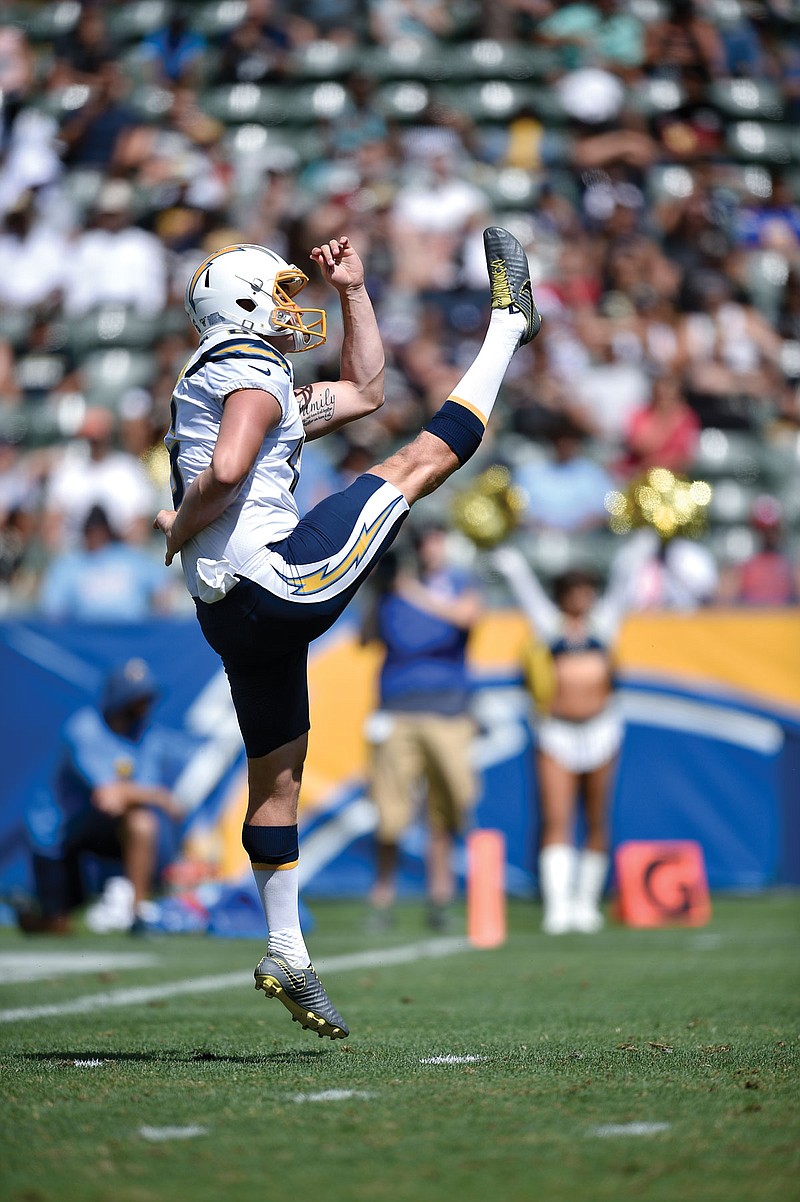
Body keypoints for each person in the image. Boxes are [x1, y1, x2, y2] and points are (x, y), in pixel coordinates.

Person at [153, 227, 540, 1039]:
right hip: (276, 581)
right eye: (285, 294)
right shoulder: (246, 365)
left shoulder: (222, 376)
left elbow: (363, 391)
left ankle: (286, 950)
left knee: (278, 782)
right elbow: (224, 473)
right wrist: (180, 525)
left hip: (231, 613)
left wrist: (354, 291)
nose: (297, 310)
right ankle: (509, 324)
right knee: (417, 464)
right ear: (244, 304)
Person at [492, 534, 654, 935]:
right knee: (557, 817)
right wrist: (508, 557)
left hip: (602, 731)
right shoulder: (550, 627)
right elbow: (526, 592)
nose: (581, 598)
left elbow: (624, 582)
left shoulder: (605, 625)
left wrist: (645, 540)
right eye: (573, 591)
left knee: (597, 817)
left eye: (586, 590)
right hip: (557, 733)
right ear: (562, 596)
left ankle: (585, 903)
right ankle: (559, 906)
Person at [362, 523, 482, 932]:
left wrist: (411, 588)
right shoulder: (390, 589)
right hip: (396, 709)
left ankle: (440, 899)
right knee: (390, 812)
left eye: (433, 538)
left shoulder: (458, 582)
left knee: (446, 809)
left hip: (448, 711)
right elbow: (365, 640)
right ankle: (382, 899)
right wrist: (374, 588)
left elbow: (467, 618)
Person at [18, 659, 182, 935]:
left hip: (102, 824)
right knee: (59, 926)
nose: (147, 706)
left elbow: (123, 798)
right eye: (140, 698)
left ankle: (137, 913)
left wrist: (133, 794)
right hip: (57, 834)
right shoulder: (85, 728)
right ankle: (35, 915)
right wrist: (160, 798)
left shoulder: (148, 736)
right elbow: (106, 796)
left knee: (142, 822)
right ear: (122, 700)